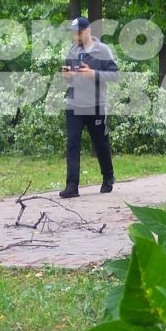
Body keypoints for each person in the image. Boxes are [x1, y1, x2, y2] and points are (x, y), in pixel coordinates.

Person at [61, 17, 118, 197]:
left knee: (100, 143)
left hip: (96, 105)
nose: (75, 35)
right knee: (72, 143)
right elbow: (68, 74)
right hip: (74, 104)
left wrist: (94, 73)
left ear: (88, 31)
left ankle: (108, 176)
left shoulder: (103, 50)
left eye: (78, 32)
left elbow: (115, 75)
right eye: (73, 32)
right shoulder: (72, 50)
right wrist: (67, 75)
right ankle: (72, 185)